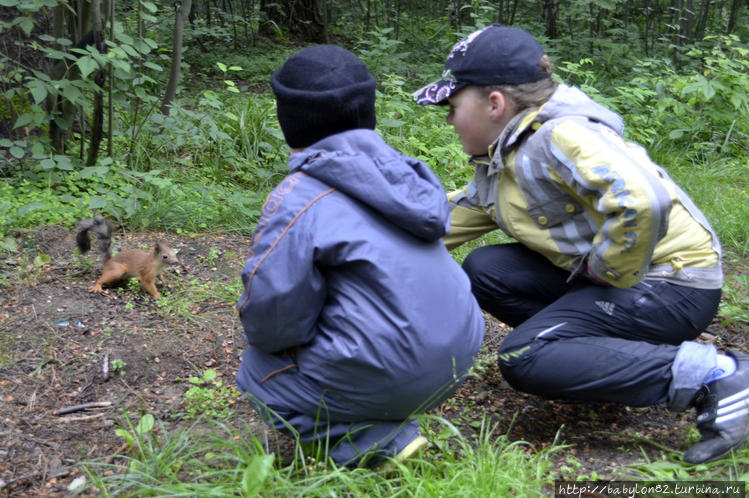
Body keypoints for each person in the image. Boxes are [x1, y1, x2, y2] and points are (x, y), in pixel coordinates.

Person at [413, 24, 749, 464]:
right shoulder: (506, 159)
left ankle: (720, 377)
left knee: (526, 354)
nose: (449, 119)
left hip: (672, 284)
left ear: (494, 104)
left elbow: (642, 201)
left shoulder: (559, 135)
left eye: (452, 106)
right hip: (633, 281)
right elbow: (437, 221)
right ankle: (601, 366)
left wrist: (607, 270)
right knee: (486, 269)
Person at [235, 44, 485, 468]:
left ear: (290, 121)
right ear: (367, 110)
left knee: (258, 370)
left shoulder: (298, 199)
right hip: (460, 355)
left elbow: (275, 317)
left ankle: (374, 440)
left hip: (395, 370)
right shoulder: (407, 173)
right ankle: (384, 399)